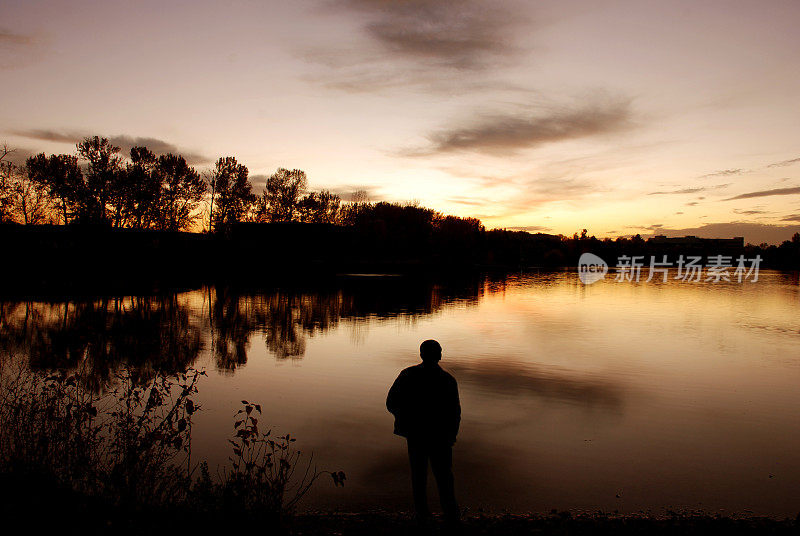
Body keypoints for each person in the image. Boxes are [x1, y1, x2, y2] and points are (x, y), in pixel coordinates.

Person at [386, 339, 461, 525]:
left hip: (417, 434)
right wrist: (452, 434)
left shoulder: (408, 375)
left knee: (419, 475)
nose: (441, 354)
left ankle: (423, 513)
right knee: (443, 475)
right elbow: (455, 412)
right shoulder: (447, 380)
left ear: (422, 355)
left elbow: (391, 403)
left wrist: (405, 420)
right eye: (439, 351)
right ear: (438, 355)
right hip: (439, 436)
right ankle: (450, 514)